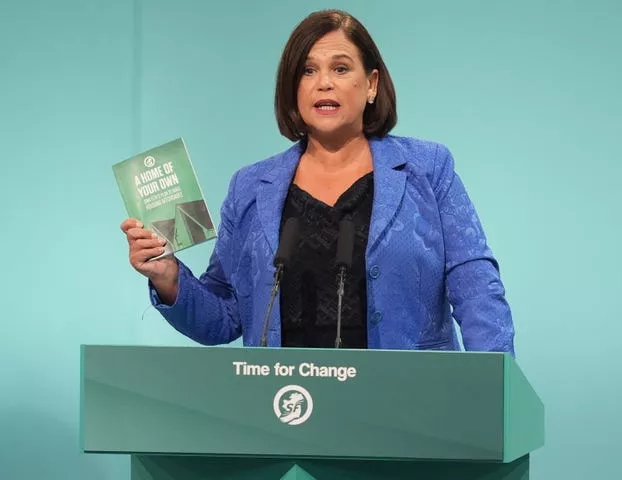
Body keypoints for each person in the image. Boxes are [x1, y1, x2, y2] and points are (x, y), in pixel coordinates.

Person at [120, 9, 515, 355]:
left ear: (372, 84)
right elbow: (224, 314)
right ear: (294, 90)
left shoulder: (427, 168)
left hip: (408, 411)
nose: (323, 82)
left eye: (340, 68)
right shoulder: (250, 187)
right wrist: (169, 278)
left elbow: (476, 285)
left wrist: (493, 390)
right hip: (288, 413)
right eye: (308, 71)